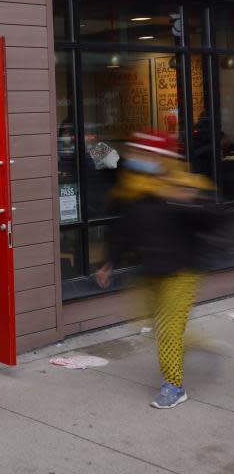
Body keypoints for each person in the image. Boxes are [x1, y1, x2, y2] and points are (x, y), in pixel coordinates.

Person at [96, 130, 216, 409]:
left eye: (145, 155)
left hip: (182, 272)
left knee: (167, 331)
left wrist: (185, 200)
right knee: (144, 321)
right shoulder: (136, 190)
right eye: (137, 154)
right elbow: (125, 228)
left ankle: (174, 386)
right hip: (151, 271)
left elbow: (213, 220)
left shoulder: (181, 185)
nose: (138, 159)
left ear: (161, 158)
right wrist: (109, 262)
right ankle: (195, 344)